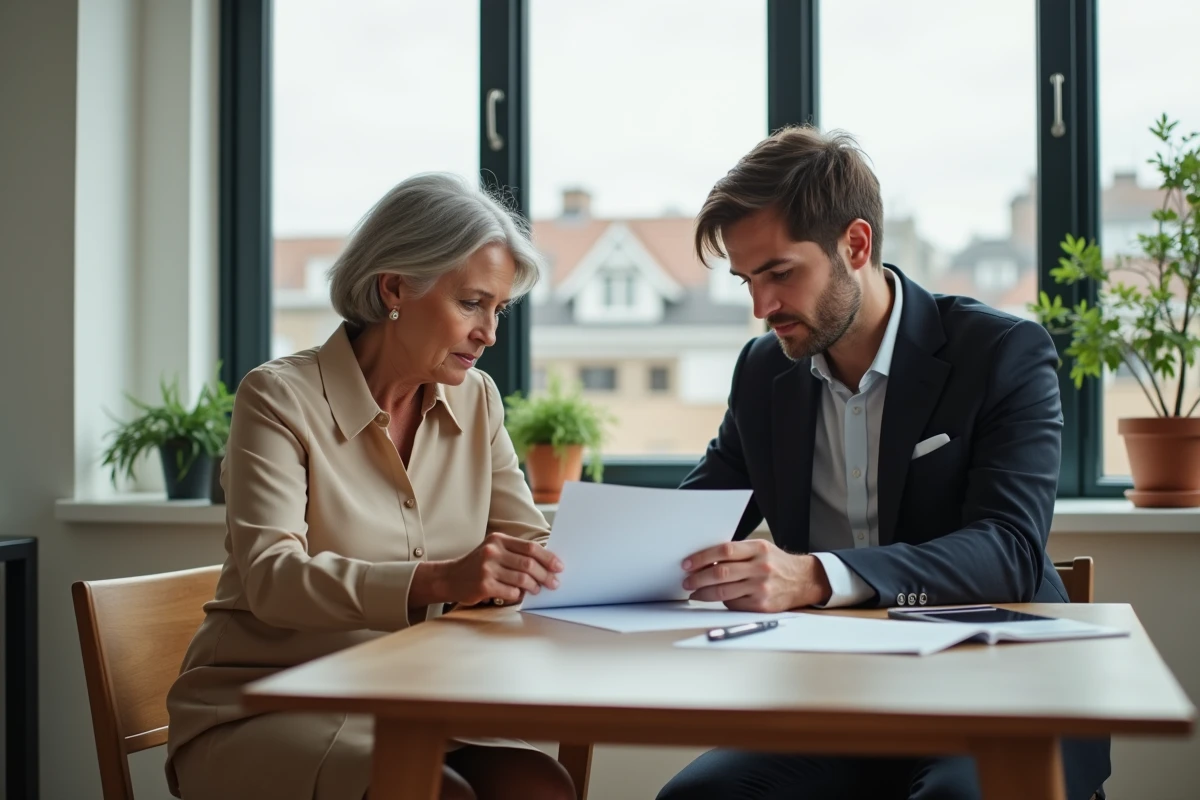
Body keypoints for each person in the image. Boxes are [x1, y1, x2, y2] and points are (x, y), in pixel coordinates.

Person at [657, 126, 1109, 800]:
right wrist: (572, 560)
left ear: (856, 244)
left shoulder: (1001, 351)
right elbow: (697, 515)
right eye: (748, 280)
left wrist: (816, 576)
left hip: (1004, 688)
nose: (762, 308)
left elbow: (1009, 548)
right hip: (841, 699)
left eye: (780, 273)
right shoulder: (764, 373)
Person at [165, 173, 576, 800]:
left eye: (498, 309)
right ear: (395, 288)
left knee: (538, 784)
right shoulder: (278, 397)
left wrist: (549, 569)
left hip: (415, 699)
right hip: (268, 704)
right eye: (471, 303)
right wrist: (440, 580)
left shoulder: (479, 401)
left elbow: (527, 540)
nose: (489, 333)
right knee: (438, 793)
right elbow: (273, 578)